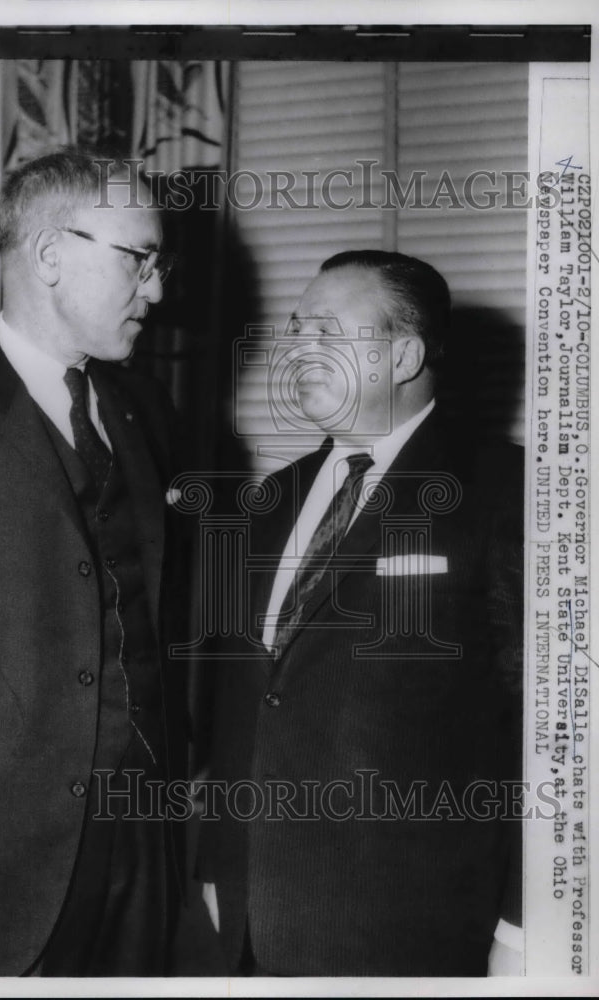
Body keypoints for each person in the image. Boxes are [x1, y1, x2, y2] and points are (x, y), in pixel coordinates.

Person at [0, 150, 186, 976]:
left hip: (140, 849)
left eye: (161, 265)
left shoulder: (147, 415)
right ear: (51, 255)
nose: (157, 290)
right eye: (139, 259)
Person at [197, 250, 523, 977]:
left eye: (327, 332)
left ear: (404, 354)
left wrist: (524, 930)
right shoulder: (267, 502)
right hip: (253, 924)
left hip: (415, 931)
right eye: (295, 328)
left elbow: (549, 726)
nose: (298, 351)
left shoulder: (506, 492)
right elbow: (245, 703)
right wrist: (220, 870)